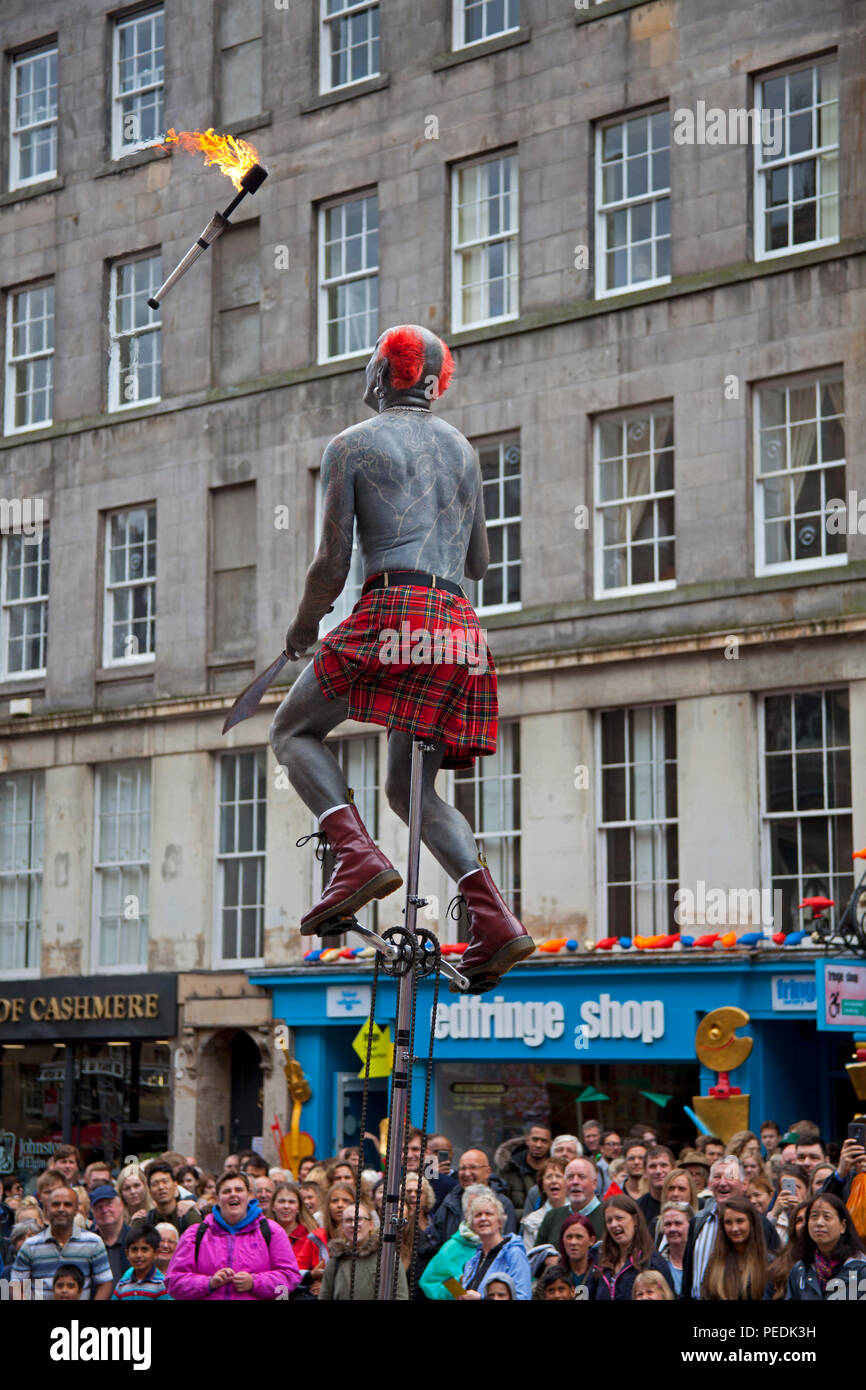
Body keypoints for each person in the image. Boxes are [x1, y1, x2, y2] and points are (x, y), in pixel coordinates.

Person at [269, 324, 536, 992]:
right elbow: (479, 561)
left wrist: (304, 628)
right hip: (456, 630)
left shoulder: (350, 446)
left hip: (394, 611)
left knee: (292, 731)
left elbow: (332, 566)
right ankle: (494, 918)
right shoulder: (464, 452)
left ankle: (355, 854)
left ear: (386, 372)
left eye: (370, 360)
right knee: (410, 789)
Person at [167, 1170, 300, 1301]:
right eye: (226, 1191)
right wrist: (208, 1283)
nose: (233, 1194)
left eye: (238, 1190)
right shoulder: (195, 1234)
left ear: (249, 1196)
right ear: (217, 1199)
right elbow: (173, 1283)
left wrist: (255, 1282)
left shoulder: (272, 1231)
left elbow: (290, 1279)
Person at [682, 1157, 780, 1300]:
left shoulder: (762, 1225)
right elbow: (688, 1278)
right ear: (709, 1183)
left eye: (730, 1177)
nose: (722, 1182)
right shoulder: (697, 1222)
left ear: (744, 1184)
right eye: (717, 1177)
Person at [11, 1185, 113, 1301]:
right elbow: (15, 1286)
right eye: (55, 1204)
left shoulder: (93, 1242)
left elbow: (105, 1282)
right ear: (46, 1209)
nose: (61, 1209)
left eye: (67, 1205)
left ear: (76, 1210)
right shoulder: (30, 1245)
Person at [426, 1149, 517, 1251]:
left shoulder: (503, 1204)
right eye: (463, 1169)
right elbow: (435, 1241)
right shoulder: (450, 1202)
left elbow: (507, 1246)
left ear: (487, 1172)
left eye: (473, 1168)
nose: (467, 1173)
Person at [587, 1195, 674, 1301]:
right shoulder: (599, 1262)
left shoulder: (653, 1262)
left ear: (635, 1220)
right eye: (609, 1221)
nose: (614, 1224)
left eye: (619, 1218)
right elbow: (585, 1293)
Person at [319, 1200, 408, 1300]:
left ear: (370, 1225)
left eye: (359, 1219)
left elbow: (401, 1295)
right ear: (342, 1227)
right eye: (348, 1220)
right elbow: (325, 1295)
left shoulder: (387, 1256)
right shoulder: (336, 1260)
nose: (353, 1224)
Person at [786, 1193, 866, 1300]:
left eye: (827, 1217)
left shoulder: (860, 1270)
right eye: (814, 1216)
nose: (819, 1223)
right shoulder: (801, 1270)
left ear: (843, 1226)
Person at [459, 1187, 531, 1300]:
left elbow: (524, 1297)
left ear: (500, 1221)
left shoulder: (514, 1254)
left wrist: (481, 1298)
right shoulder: (473, 1261)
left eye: (489, 1214)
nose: (483, 1218)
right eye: (478, 1215)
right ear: (472, 1224)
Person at [418, 1186, 482, 1301]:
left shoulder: (502, 1247)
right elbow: (430, 1285)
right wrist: (459, 1284)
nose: (480, 1215)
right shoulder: (451, 1248)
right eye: (472, 1206)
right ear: (465, 1212)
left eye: (484, 1207)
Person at [701, 1196, 769, 1300]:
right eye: (728, 1222)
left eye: (740, 1221)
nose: (734, 1228)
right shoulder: (715, 1263)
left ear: (752, 1223)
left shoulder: (768, 1263)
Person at [535, 1158, 604, 1245]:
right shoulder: (551, 1217)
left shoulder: (607, 1216)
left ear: (594, 1183)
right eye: (570, 1177)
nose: (575, 1182)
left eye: (581, 1177)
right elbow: (536, 1256)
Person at [271, 1180, 327, 1272]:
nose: (286, 1206)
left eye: (291, 1202)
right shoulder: (263, 1233)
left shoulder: (310, 1236)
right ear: (273, 1206)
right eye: (281, 1201)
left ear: (299, 1207)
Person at [495, 1124, 553, 1211]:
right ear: (527, 1140)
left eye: (544, 1141)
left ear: (550, 1144)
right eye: (535, 1139)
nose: (538, 1145)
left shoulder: (555, 1171)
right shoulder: (509, 1168)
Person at [111, 1224, 172, 1301]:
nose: (139, 1255)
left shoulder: (161, 1285)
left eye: (145, 1249)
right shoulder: (123, 1283)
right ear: (127, 1253)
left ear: (156, 1253)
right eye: (134, 1249)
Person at [520, 1157, 568, 1250]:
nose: (554, 1181)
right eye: (549, 1176)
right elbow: (530, 1257)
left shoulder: (579, 1214)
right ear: (542, 1185)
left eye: (559, 1176)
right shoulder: (532, 1221)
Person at [89, 1184, 130, 1288]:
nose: (105, 1210)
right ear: (93, 1213)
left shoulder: (136, 1239)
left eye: (109, 1204)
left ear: (121, 1205)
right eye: (99, 1207)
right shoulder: (88, 1244)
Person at [144, 1162, 203, 1234]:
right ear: (149, 1191)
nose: (161, 1187)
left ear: (175, 1185)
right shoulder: (146, 1220)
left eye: (165, 1182)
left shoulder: (188, 1216)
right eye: (155, 1184)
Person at [637, 1146, 674, 1233]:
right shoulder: (637, 1209)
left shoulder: (689, 1202)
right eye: (653, 1166)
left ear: (674, 1169)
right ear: (645, 1172)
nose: (658, 1171)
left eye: (663, 1165)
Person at [657, 1202, 692, 1295]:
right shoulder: (656, 1264)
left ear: (691, 1225)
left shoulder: (701, 1260)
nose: (672, 1229)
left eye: (678, 1223)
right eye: (668, 1224)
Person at [557, 1212, 599, 1290]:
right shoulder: (554, 1274)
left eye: (579, 1237)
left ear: (592, 1240)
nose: (573, 1242)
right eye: (569, 1237)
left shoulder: (600, 1273)